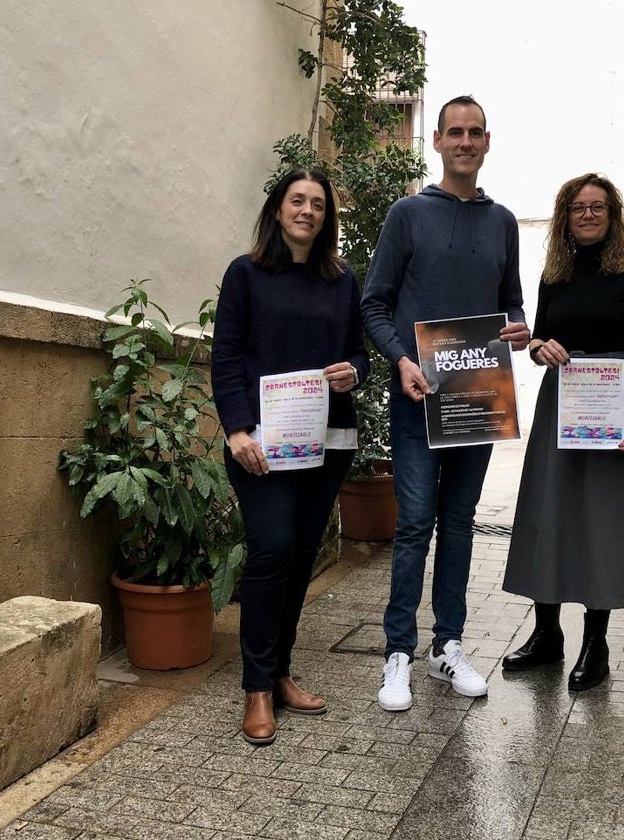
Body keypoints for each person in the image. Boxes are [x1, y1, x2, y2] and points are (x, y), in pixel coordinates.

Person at [361, 95, 530, 711]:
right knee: (413, 525)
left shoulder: (504, 222)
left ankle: (447, 646)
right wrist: (403, 360)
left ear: (487, 143)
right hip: (418, 395)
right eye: (453, 132)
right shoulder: (408, 215)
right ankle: (397, 654)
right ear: (436, 141)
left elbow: (511, 301)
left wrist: (517, 327)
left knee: (459, 525)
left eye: (474, 133)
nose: (464, 142)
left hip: (476, 397)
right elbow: (373, 306)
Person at [212, 168, 369, 745]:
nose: (307, 211)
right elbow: (225, 356)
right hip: (260, 445)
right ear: (278, 210)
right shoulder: (246, 274)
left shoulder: (341, 279)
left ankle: (279, 673)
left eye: (318, 205)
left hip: (327, 442)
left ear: (327, 218)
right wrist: (235, 430)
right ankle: (255, 686)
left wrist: (356, 371)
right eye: (297, 201)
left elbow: (359, 351)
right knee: (272, 550)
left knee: (302, 554)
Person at [501, 172, 624, 691]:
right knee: (551, 511)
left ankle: (597, 642)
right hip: (561, 404)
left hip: (614, 405)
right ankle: (547, 633)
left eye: (598, 206)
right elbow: (540, 340)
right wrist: (536, 348)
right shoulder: (555, 273)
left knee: (604, 520)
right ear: (566, 217)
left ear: (613, 215)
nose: (589, 214)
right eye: (578, 208)